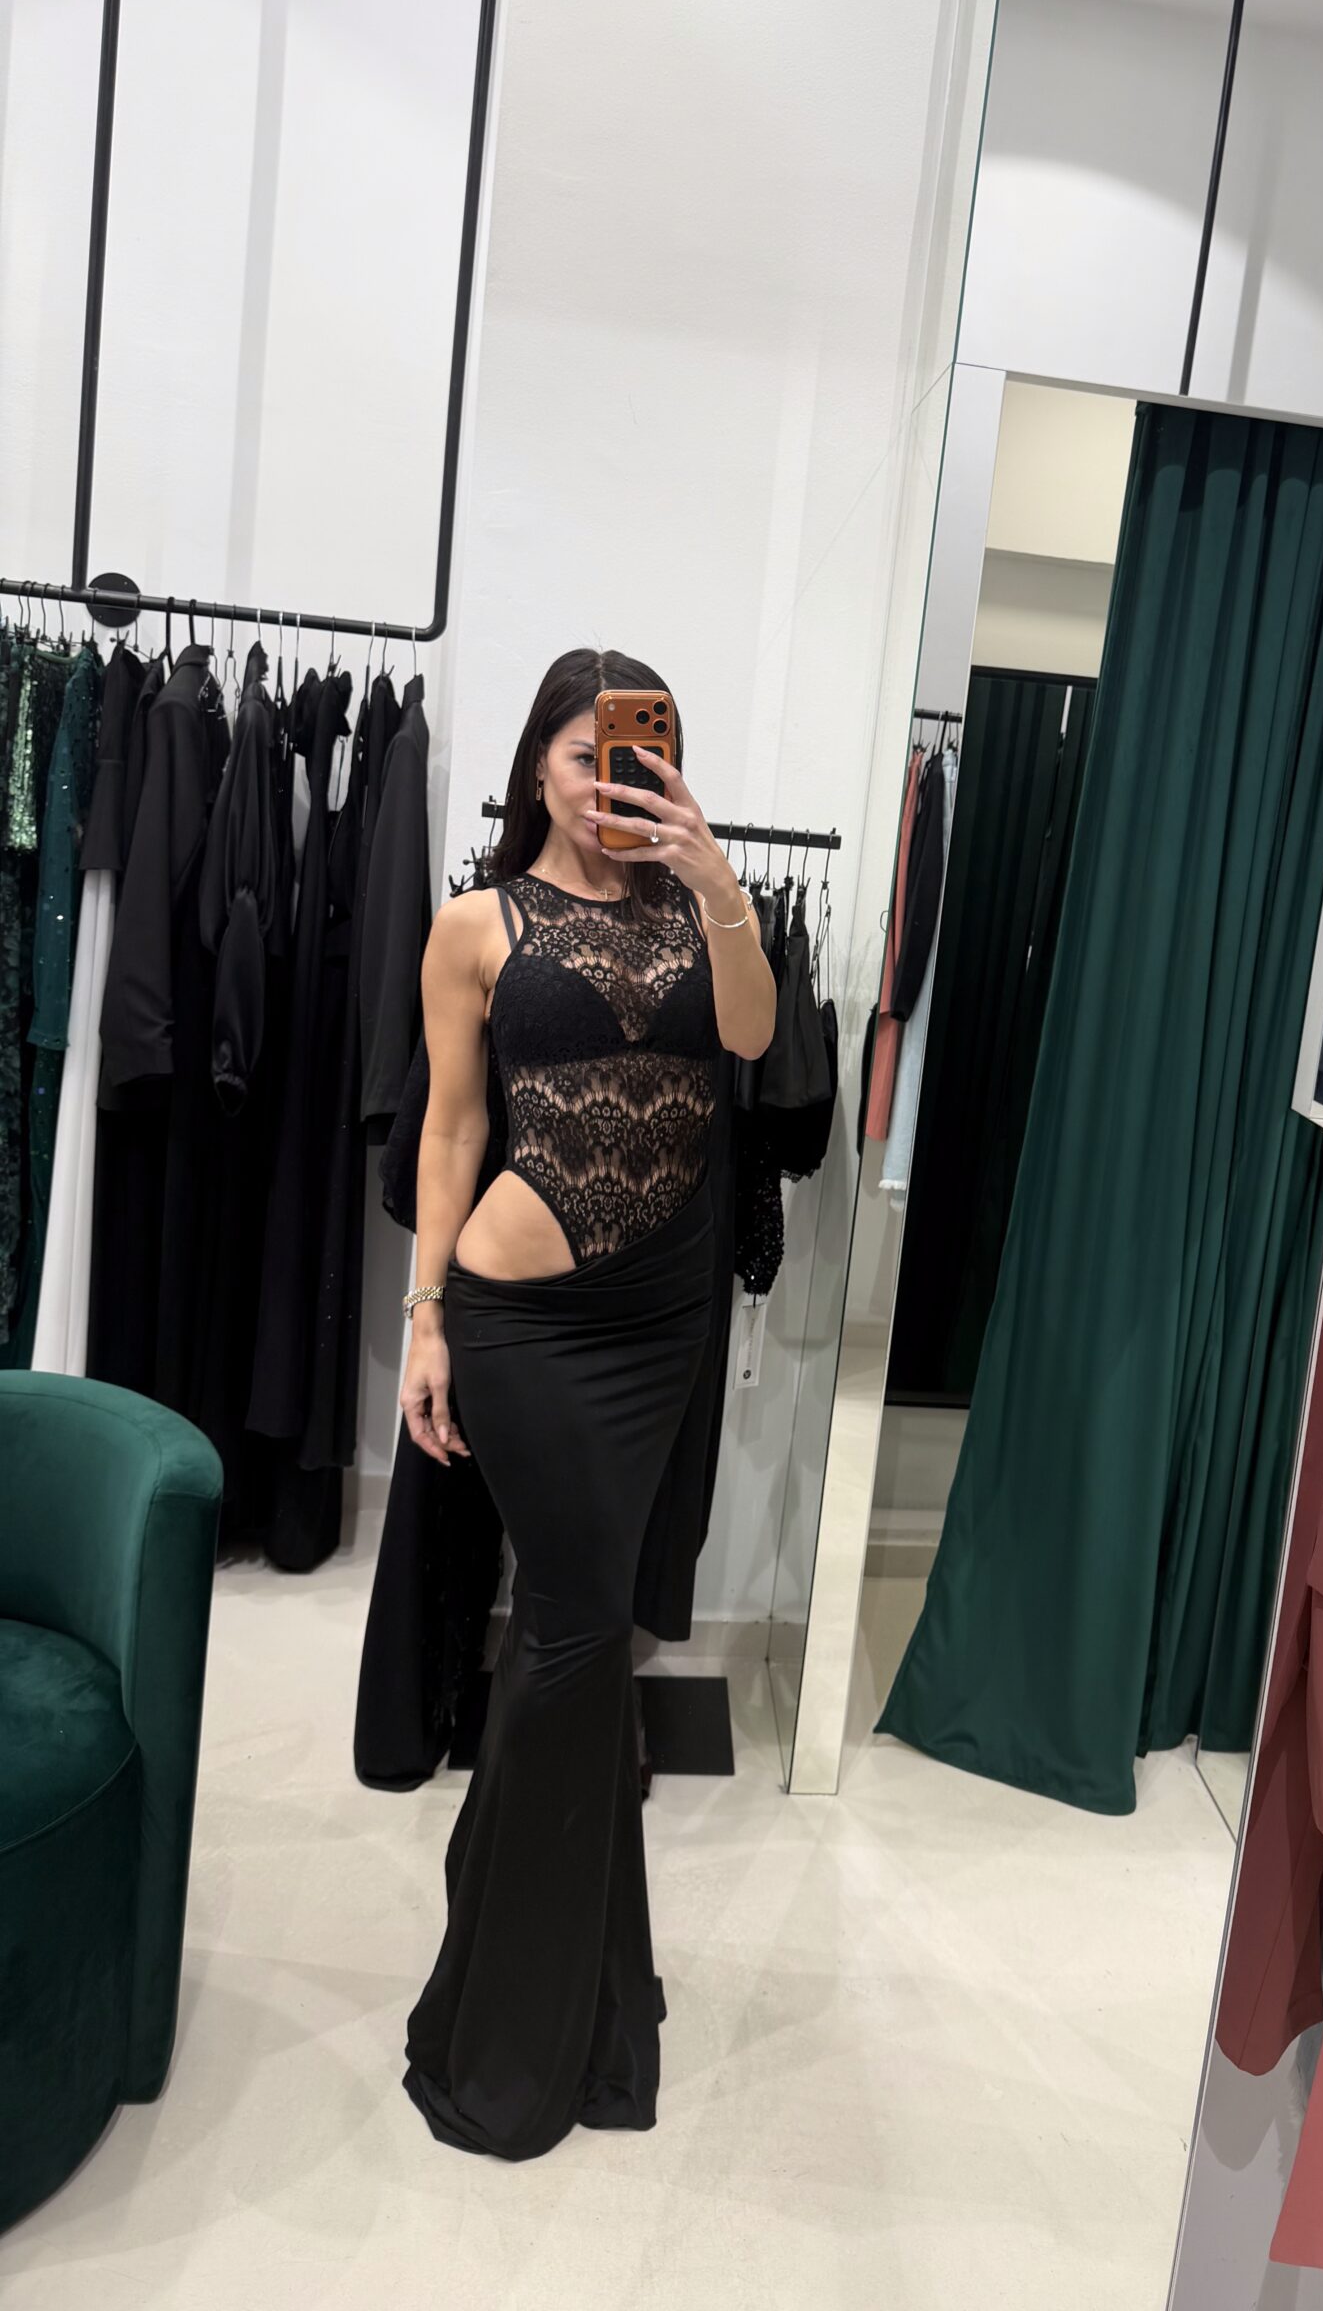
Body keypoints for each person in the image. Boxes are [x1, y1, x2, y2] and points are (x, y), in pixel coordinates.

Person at [397, 646, 774, 2158]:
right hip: (523, 1321)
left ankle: (555, 1975)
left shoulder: (699, 908)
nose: (608, 783)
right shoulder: (475, 924)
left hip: (660, 1320)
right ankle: (511, 2026)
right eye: (583, 756)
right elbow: (450, 1131)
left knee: (587, 1638)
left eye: (635, 757)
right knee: (571, 1636)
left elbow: (750, 1040)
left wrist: (716, 872)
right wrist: (425, 1320)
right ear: (538, 768)